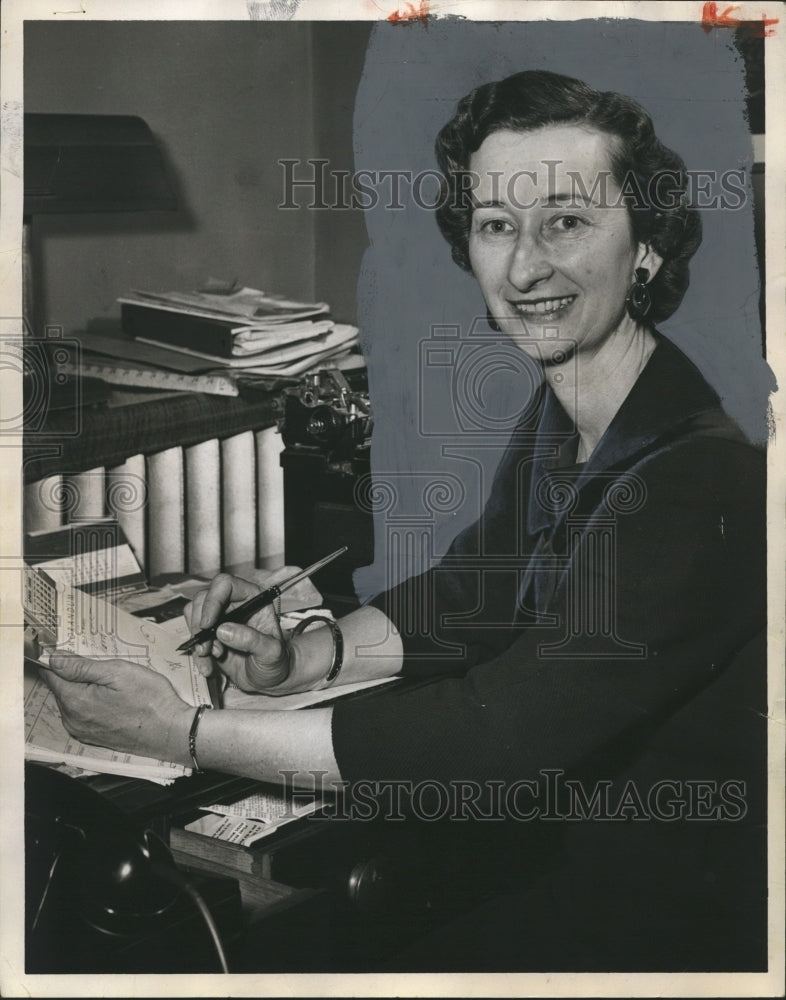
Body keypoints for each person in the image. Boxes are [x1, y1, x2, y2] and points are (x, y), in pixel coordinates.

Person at [41, 71, 767, 971]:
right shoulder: (578, 411)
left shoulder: (701, 474)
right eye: (496, 224)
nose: (525, 265)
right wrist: (310, 654)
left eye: (567, 222)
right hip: (565, 865)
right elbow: (477, 587)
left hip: (666, 922)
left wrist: (179, 733)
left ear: (646, 247)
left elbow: (498, 739)